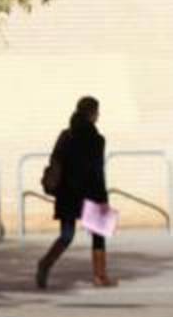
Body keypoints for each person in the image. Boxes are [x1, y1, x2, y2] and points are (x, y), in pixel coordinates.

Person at [36, 96, 115, 288]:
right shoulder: (97, 140)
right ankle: (100, 276)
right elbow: (96, 170)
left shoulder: (65, 135)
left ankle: (45, 264)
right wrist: (103, 198)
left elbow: (55, 161)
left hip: (67, 193)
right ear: (92, 114)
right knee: (98, 234)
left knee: (66, 235)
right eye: (97, 112)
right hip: (90, 192)